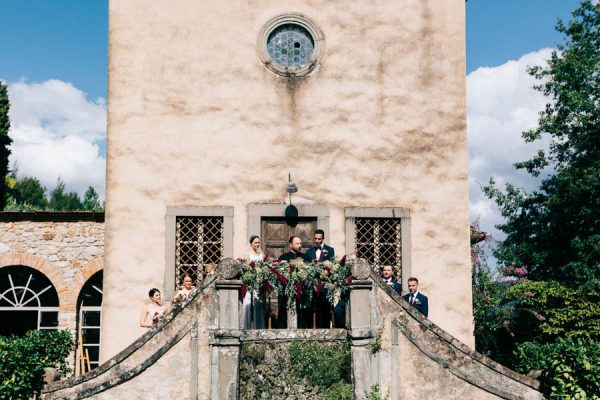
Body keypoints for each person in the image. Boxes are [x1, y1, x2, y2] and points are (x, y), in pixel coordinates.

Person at [243, 235, 266, 329]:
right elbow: (247, 268)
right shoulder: (248, 254)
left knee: (258, 304)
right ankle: (247, 327)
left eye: (258, 242)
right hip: (251, 283)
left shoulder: (262, 255)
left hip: (259, 283)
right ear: (251, 243)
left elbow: (265, 267)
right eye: (255, 243)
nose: (257, 244)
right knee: (248, 303)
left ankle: (259, 327)